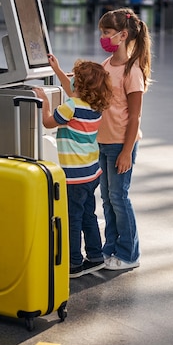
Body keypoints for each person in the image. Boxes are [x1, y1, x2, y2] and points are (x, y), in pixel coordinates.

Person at [34, 56, 113, 278]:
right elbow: (72, 91)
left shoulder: (71, 106)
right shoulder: (94, 106)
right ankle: (96, 256)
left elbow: (48, 122)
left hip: (74, 178)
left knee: (72, 219)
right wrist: (57, 69)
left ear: (78, 84)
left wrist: (44, 102)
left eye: (74, 78)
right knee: (89, 214)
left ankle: (74, 263)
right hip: (91, 173)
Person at [97, 8, 152, 271]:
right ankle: (111, 249)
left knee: (119, 197)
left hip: (121, 143)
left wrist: (126, 152)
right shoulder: (107, 65)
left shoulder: (133, 72)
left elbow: (135, 118)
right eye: (102, 32)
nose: (103, 37)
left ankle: (129, 253)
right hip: (104, 142)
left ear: (123, 35)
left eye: (107, 32)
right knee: (107, 198)